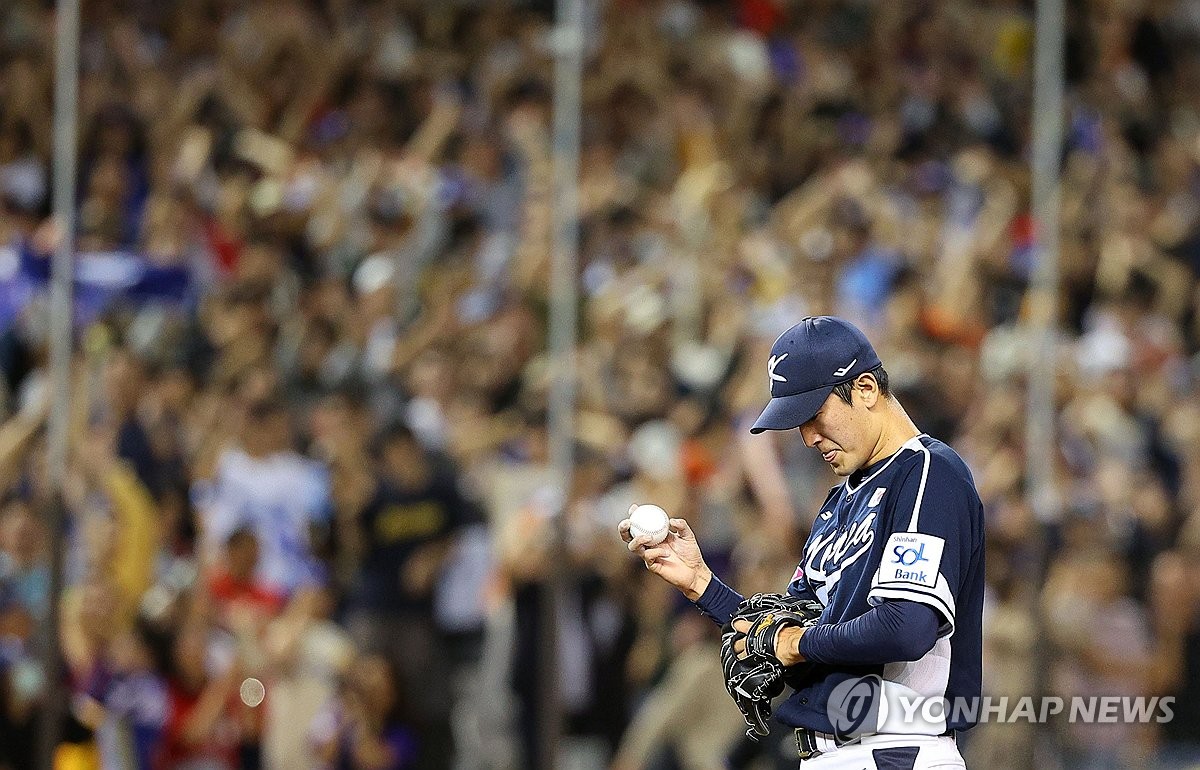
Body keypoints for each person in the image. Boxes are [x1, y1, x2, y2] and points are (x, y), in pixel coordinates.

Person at [620, 316, 985, 768]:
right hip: (834, 752)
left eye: (814, 414)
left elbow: (906, 627)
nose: (808, 437)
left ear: (867, 388)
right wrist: (702, 585)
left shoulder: (928, 473)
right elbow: (785, 631)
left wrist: (794, 642)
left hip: (895, 750)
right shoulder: (840, 500)